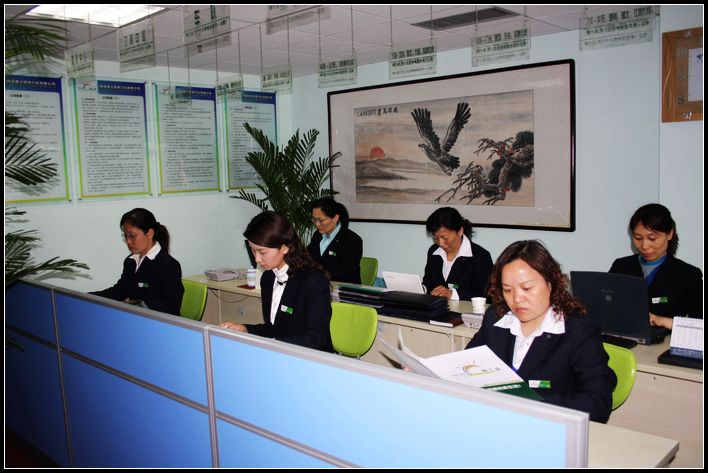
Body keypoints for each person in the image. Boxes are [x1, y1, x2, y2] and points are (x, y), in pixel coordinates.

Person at [466, 240, 616, 423]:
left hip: (551, 426)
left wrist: (529, 403)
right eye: (507, 290)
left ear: (550, 283)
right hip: (496, 421)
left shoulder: (578, 332)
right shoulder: (496, 318)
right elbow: (466, 365)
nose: (517, 299)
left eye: (527, 288)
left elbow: (598, 403)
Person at [221, 211, 333, 352]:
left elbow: (315, 338)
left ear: (284, 248)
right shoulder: (268, 278)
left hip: (311, 358)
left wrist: (272, 345)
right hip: (281, 354)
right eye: (253, 251)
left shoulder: (313, 281)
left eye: (262, 252)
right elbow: (273, 329)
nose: (257, 259)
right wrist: (245, 329)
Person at [609, 203, 703, 329]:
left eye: (652, 238)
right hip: (621, 335)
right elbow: (605, 305)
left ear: (669, 234)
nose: (644, 246)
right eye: (638, 238)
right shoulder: (621, 266)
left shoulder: (688, 275)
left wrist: (660, 320)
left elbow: (699, 326)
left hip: (664, 338)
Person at [90, 208, 184, 315]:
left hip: (157, 321)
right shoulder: (130, 261)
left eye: (132, 235)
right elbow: (119, 292)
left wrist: (131, 305)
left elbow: (170, 306)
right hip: (135, 317)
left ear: (149, 233)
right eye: (125, 236)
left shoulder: (168, 265)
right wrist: (88, 297)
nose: (128, 241)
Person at [422, 207, 493, 300]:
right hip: (437, 308)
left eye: (445, 238)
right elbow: (428, 283)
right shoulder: (433, 251)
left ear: (460, 231)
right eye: (436, 238)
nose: (440, 243)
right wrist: (421, 288)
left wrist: (452, 294)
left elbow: (485, 295)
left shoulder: (480, 256)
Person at [307, 197, 363, 284]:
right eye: (314, 219)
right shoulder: (317, 235)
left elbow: (343, 273)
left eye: (321, 220)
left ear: (335, 218)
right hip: (319, 285)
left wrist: (316, 276)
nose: (317, 224)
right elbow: (307, 258)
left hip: (343, 289)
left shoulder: (352, 240)